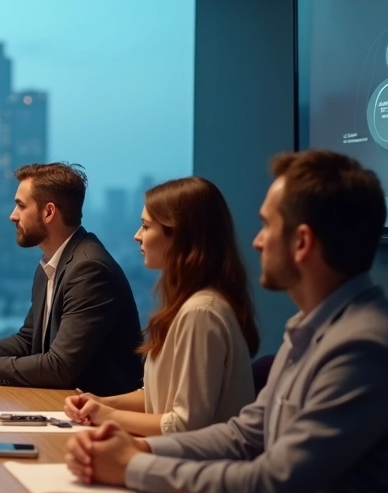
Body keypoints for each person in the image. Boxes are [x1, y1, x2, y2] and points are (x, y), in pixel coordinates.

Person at [66, 150, 388, 493]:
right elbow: (245, 435)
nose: (257, 242)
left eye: (266, 225)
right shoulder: (311, 329)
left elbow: (267, 486)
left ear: (302, 242)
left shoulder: (364, 348)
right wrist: (143, 451)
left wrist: (130, 467)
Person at [64, 176, 259, 436]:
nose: (137, 235)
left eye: (145, 226)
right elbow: (159, 398)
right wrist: (99, 403)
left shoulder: (201, 313)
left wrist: (108, 416)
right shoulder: (189, 305)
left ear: (178, 235)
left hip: (197, 471)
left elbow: (185, 426)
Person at [0, 163, 142, 395]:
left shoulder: (90, 269)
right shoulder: (52, 263)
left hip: (100, 415)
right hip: (63, 402)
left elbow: (60, 367)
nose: (13, 216)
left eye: (21, 205)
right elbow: (29, 341)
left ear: (48, 212)